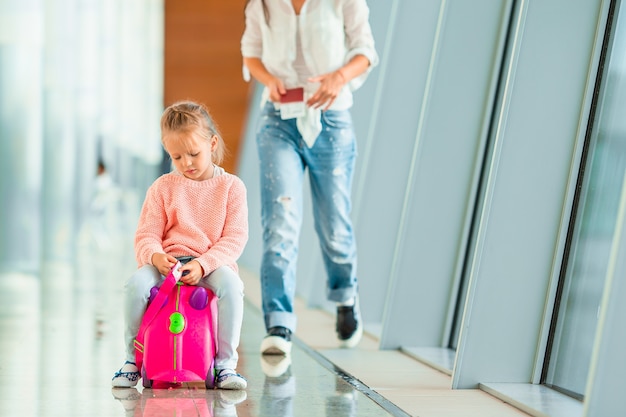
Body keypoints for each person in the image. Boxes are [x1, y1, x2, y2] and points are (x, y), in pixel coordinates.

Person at [241, 0, 379, 356]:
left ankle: (346, 296)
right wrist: (268, 79)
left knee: (333, 224)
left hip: (331, 120)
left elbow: (365, 50)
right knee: (280, 222)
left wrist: (339, 76)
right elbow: (251, 53)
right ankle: (279, 323)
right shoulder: (263, 5)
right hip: (278, 121)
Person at [111, 100, 249, 390]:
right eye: (177, 156)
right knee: (135, 285)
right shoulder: (162, 187)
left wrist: (204, 264)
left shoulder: (232, 187)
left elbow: (234, 239)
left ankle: (225, 365)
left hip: (210, 264)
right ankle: (132, 360)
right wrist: (156, 256)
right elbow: (146, 234)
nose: (186, 163)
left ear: (212, 144)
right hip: (167, 264)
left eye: (194, 154)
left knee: (232, 287)